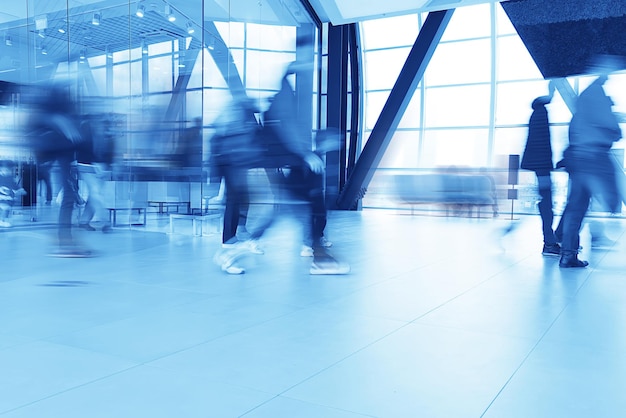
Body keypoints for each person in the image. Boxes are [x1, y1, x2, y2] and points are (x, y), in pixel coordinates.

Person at [558, 55, 623, 268]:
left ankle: (568, 254)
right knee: (616, 193)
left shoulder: (587, 97)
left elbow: (576, 129)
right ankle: (570, 250)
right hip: (594, 157)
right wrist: (615, 128)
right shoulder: (595, 94)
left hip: (581, 158)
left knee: (576, 207)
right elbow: (610, 126)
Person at [27, 84, 92, 257]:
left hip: (61, 152)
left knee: (69, 195)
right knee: (69, 195)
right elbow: (45, 120)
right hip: (59, 150)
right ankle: (63, 241)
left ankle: (63, 239)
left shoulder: (53, 104)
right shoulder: (55, 105)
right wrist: (62, 123)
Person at [520, 82, 562, 256]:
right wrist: (547, 165)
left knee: (546, 203)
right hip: (542, 167)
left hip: (541, 166)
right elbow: (541, 144)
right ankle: (549, 243)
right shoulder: (541, 113)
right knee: (546, 204)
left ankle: (551, 240)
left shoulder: (537, 113)